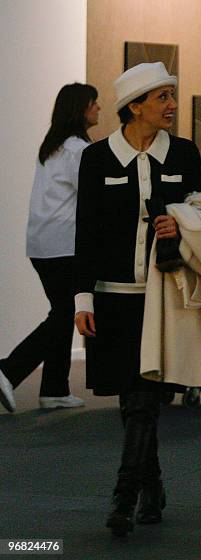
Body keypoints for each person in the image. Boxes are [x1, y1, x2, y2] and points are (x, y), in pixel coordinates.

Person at [74, 62, 201, 536]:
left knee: (146, 400)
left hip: (165, 299)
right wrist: (81, 300)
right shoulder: (96, 159)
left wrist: (184, 224)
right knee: (133, 402)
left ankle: (123, 495)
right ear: (134, 106)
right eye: (162, 98)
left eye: (172, 95)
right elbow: (85, 233)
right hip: (112, 300)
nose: (172, 106)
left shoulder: (186, 154)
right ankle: (152, 486)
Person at [0, 83, 99, 413]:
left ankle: (54, 388)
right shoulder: (77, 149)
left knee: (62, 311)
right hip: (63, 244)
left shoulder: (53, 147)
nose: (98, 108)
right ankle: (8, 370)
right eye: (93, 103)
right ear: (81, 109)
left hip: (42, 243)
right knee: (64, 313)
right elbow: (90, 195)